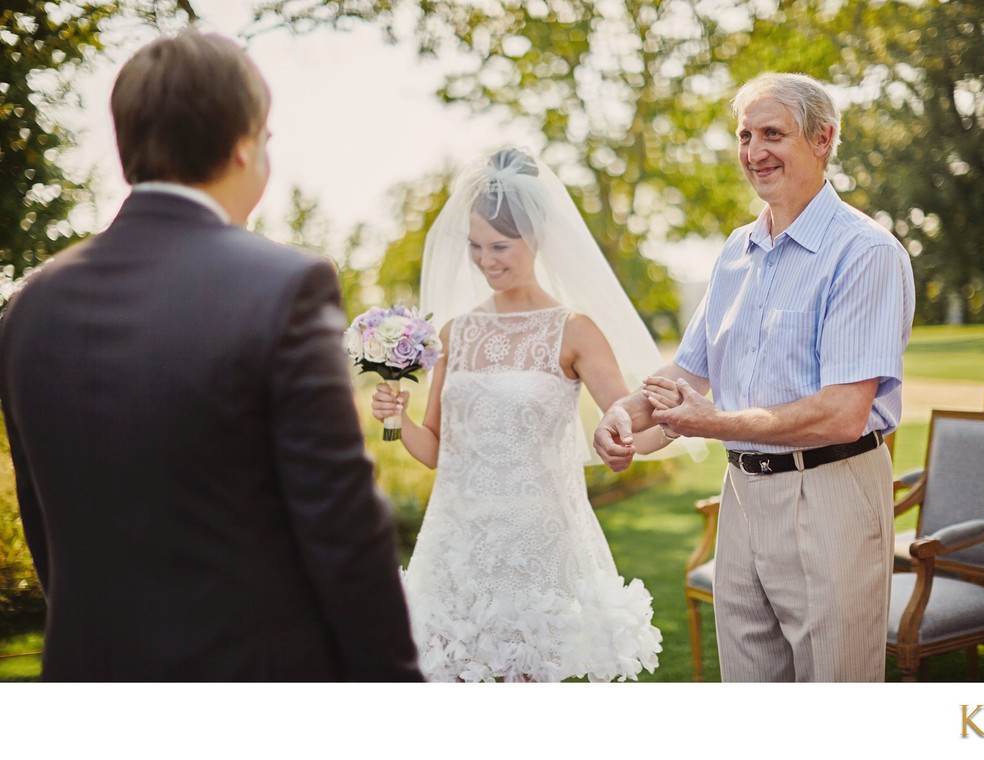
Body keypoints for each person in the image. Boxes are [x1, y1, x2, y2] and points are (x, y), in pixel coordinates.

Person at [0, 31, 421, 682]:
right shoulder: (284, 287)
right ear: (244, 146)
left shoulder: (31, 306)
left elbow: (47, 534)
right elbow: (343, 529)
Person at [595, 72, 916, 682]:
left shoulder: (865, 253)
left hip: (831, 492)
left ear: (822, 139)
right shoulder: (736, 251)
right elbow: (686, 374)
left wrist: (710, 422)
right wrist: (625, 416)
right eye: (745, 135)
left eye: (773, 133)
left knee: (834, 691)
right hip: (742, 498)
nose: (754, 152)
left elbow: (842, 412)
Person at [370, 148, 704, 682]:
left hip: (537, 546)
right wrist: (398, 419)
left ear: (537, 238)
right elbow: (434, 450)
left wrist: (639, 440)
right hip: (456, 545)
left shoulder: (573, 330)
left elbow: (628, 422)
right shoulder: (456, 332)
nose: (487, 260)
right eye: (476, 247)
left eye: (501, 246)